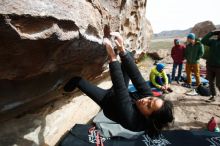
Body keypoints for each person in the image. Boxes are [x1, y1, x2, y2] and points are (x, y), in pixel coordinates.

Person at [63, 32, 174, 136]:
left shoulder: (132, 120)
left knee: (76, 80)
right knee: (128, 55)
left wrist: (112, 56)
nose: (146, 100)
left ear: (148, 117)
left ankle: (65, 92)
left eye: (149, 106)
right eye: (151, 99)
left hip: (107, 102)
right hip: (122, 95)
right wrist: (122, 49)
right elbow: (136, 77)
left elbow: (120, 88)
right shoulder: (148, 99)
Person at [201, 29, 220, 101]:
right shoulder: (213, 42)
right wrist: (212, 33)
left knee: (219, 84)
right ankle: (213, 96)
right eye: (219, 34)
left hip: (219, 67)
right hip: (210, 65)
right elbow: (203, 40)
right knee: (211, 82)